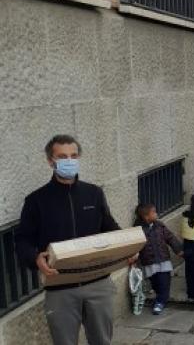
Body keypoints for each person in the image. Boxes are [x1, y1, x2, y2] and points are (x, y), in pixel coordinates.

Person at [15, 134, 125, 345]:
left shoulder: (93, 193)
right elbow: (22, 240)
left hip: (98, 284)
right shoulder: (36, 200)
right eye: (62, 156)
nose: (69, 160)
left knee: (102, 341)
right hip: (60, 288)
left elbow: (109, 227)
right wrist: (35, 258)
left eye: (73, 155)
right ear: (50, 161)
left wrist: (127, 248)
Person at [134, 203, 183, 315]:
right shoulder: (138, 230)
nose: (156, 214)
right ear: (146, 216)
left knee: (164, 281)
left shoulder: (159, 225)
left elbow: (170, 237)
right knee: (155, 282)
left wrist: (179, 249)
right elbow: (135, 244)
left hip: (163, 259)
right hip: (149, 261)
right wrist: (134, 255)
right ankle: (160, 296)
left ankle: (160, 302)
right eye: (154, 212)